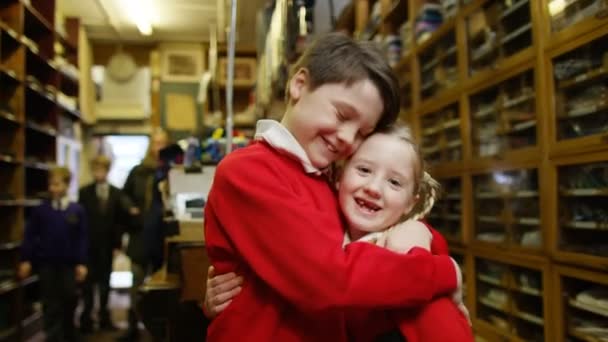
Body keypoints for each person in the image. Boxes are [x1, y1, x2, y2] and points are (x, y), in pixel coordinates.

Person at [203, 32, 462, 341]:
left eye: (361, 132)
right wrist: (442, 272)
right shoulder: (247, 171)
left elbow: (367, 238)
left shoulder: (324, 176)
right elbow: (328, 280)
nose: (347, 138)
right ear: (299, 85)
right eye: (342, 115)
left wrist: (424, 238)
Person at [205, 123, 473, 341]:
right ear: (338, 176)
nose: (374, 188)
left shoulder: (411, 250)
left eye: (394, 182)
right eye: (364, 170)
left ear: (410, 203)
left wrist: (444, 264)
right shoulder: (320, 223)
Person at [18, 166, 88, 342]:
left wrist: (81, 262)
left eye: (57, 184)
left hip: (68, 265)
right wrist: (26, 259)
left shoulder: (76, 210)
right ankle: (53, 336)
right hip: (47, 264)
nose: (53, 188)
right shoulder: (41, 210)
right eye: (51, 184)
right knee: (50, 303)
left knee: (69, 299)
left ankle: (69, 333)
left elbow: (81, 238)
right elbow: (30, 236)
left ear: (66, 185)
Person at [119, 128, 169, 341]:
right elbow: (123, 195)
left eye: (162, 144)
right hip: (139, 237)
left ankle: (158, 331)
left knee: (159, 290)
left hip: (160, 238)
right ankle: (132, 329)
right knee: (136, 287)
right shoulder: (138, 170)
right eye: (155, 143)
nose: (158, 148)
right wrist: (131, 208)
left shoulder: (170, 170)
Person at [78, 155, 137, 333]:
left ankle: (104, 318)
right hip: (88, 245)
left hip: (107, 246)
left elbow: (119, 221)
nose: (99, 173)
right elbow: (80, 222)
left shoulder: (116, 193)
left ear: (107, 170)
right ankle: (86, 320)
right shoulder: (84, 192)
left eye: (102, 169)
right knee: (88, 285)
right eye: (95, 169)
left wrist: (118, 245)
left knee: (104, 284)